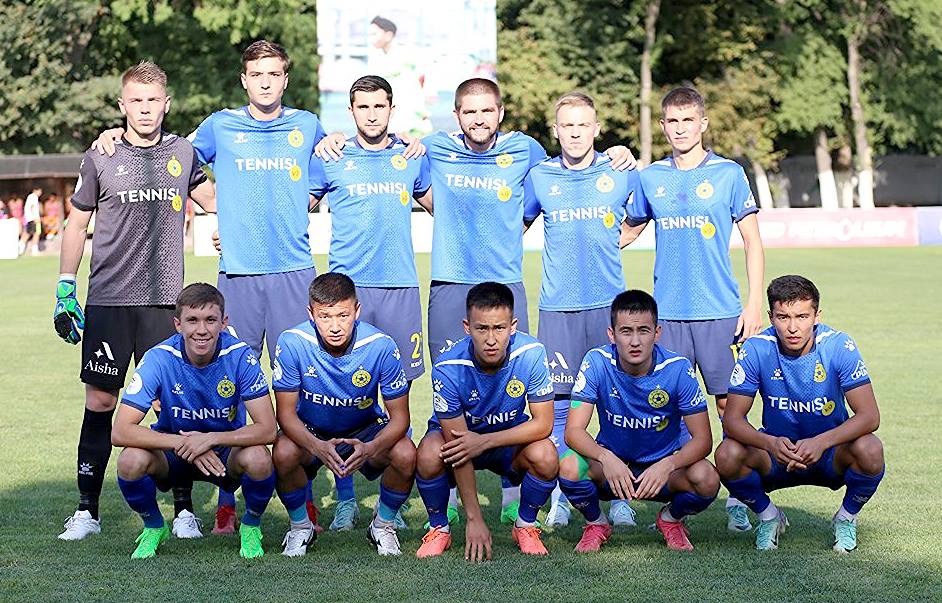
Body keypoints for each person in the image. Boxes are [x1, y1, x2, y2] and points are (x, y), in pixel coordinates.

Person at [317, 77, 635, 523]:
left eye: (487, 110)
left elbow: (571, 162)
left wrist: (617, 152)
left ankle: (513, 494)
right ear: (456, 115)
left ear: (501, 113)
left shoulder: (526, 151)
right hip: (450, 287)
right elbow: (397, 159)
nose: (479, 119)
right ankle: (445, 490)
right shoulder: (430, 148)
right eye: (470, 111)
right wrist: (331, 138)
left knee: (512, 386)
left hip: (505, 287)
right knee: (450, 386)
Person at [54, 61, 215, 541]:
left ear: (167, 104)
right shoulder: (101, 155)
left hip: (166, 304)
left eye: (153, 100)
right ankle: (87, 511)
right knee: (101, 399)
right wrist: (65, 286)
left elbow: (216, 200)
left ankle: (184, 509)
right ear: (122, 105)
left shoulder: (183, 152)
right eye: (136, 101)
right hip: (109, 300)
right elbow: (77, 223)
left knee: (173, 402)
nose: (145, 109)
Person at [625, 86, 765, 530]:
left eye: (688, 120)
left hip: (720, 313)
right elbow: (627, 231)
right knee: (667, 409)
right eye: (673, 121)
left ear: (702, 123)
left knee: (730, 410)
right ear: (662, 126)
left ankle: (740, 498)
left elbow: (752, 240)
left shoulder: (728, 174)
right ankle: (674, 501)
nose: (681, 128)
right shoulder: (650, 177)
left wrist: (753, 302)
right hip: (666, 318)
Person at [307, 75, 431, 530]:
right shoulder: (331, 157)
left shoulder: (412, 156)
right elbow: (292, 207)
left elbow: (446, 206)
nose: (372, 114)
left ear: (391, 109)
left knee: (402, 392)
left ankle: (390, 505)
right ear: (351, 111)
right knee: (342, 395)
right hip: (347, 295)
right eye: (363, 107)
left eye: (380, 106)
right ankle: (345, 499)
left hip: (400, 290)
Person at [524, 91, 642, 528]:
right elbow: (518, 223)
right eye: (567, 126)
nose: (575, 133)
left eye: (582, 125)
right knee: (557, 405)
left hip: (610, 309)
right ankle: (560, 492)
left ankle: (619, 495)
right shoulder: (540, 176)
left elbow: (639, 218)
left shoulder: (619, 172)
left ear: (596, 129)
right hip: (558, 308)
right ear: (556, 131)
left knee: (617, 400)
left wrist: (611, 243)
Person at [716, 275, 884, 552]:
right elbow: (732, 420)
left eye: (802, 316)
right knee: (727, 454)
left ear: (817, 316)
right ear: (771, 317)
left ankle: (846, 518)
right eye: (783, 317)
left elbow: (869, 416)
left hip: (830, 454)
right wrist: (770, 443)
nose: (792, 327)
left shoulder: (839, 346)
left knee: (870, 449)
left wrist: (820, 442)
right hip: (777, 454)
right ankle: (769, 516)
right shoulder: (756, 348)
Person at [112, 283, 277, 559]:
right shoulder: (158, 358)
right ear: (178, 324)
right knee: (130, 461)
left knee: (259, 458)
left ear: (224, 323)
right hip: (174, 455)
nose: (201, 330)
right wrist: (184, 443)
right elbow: (120, 431)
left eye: (210, 320)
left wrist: (211, 439)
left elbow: (268, 428)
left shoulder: (241, 356)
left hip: (224, 455)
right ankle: (154, 526)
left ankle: (251, 525)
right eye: (192, 320)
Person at [560, 290, 719, 552]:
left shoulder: (677, 368)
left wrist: (669, 464)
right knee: (569, 466)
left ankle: (671, 520)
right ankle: (596, 523)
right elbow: (573, 431)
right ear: (612, 335)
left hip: (663, 472)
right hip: (613, 469)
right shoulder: (597, 361)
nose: (635, 341)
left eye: (643, 331)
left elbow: (703, 440)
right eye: (626, 331)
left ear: (657, 333)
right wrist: (605, 457)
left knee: (707, 478)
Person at [272, 272, 415, 557]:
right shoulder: (292, 342)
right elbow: (285, 415)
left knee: (405, 453)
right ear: (311, 314)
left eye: (343, 315)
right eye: (325, 317)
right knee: (283, 451)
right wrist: (317, 446)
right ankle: (300, 527)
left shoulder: (381, 345)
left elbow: (400, 419)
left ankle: (382, 525)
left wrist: (371, 448)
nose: (335, 326)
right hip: (312, 430)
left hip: (364, 429)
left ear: (357, 311)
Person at [414, 282, 558, 561]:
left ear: (513, 326)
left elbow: (544, 424)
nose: (491, 339)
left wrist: (484, 441)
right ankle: (439, 528)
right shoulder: (448, 367)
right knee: (429, 453)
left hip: (505, 443)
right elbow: (458, 445)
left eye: (499, 328)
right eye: (482, 329)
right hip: (461, 443)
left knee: (546, 454)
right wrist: (474, 518)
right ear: (467, 327)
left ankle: (525, 525)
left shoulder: (531, 353)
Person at [366, 15, 433, 137]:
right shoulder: (375, 58)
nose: (371, 38)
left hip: (409, 105)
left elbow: (423, 74)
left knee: (416, 138)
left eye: (374, 34)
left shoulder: (406, 52)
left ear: (388, 35)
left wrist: (428, 92)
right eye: (369, 35)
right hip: (391, 106)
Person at [20, 186, 42, 255]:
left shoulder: (31, 197)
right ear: (35, 190)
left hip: (31, 218)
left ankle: (34, 249)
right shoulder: (33, 197)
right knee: (29, 233)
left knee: (36, 233)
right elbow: (32, 207)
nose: (40, 193)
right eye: (40, 191)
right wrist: (35, 217)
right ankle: (22, 247)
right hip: (33, 219)